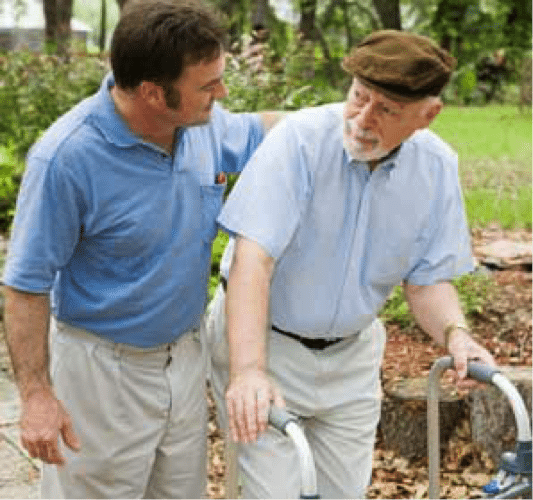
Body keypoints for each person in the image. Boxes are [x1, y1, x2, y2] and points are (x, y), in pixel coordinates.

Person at [1, 0, 284, 498]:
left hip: (183, 357)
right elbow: (25, 286)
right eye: (208, 85)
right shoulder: (66, 158)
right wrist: (38, 395)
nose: (221, 94)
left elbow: (270, 130)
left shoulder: (203, 125)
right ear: (153, 93)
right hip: (101, 374)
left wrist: (351, 118)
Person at [206, 29, 497, 500]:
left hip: (352, 356)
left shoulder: (436, 166)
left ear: (428, 115)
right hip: (265, 345)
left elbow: (426, 282)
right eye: (358, 98)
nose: (362, 119)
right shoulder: (298, 141)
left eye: (386, 110)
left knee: (344, 493)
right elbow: (252, 263)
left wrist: (456, 334)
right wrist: (248, 371)